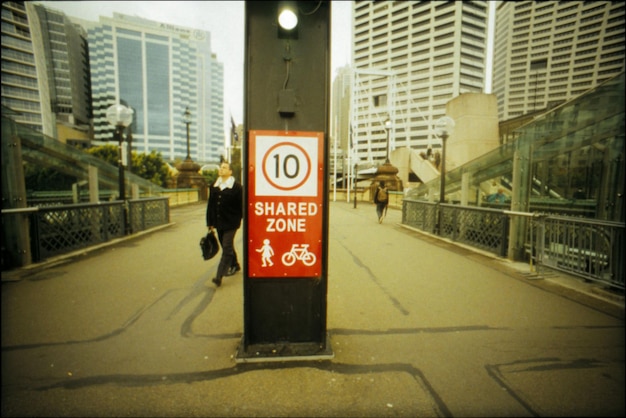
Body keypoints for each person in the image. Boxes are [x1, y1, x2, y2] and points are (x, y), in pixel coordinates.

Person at [206, 161, 243, 287]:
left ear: (230, 171)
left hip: (232, 223)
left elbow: (242, 206)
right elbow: (210, 205)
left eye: (224, 168)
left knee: (226, 246)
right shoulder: (214, 186)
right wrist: (209, 223)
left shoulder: (237, 187)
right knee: (226, 245)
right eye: (220, 167)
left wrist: (242, 219)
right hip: (219, 222)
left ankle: (219, 276)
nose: (221, 170)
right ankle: (235, 264)